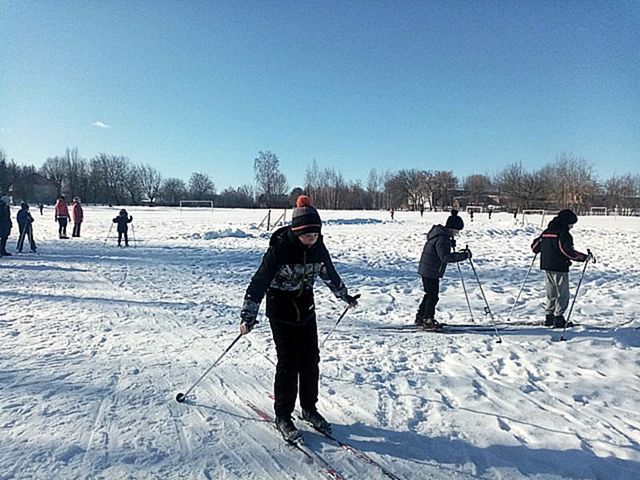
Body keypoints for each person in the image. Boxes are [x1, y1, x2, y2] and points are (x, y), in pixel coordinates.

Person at [239, 195, 358, 442]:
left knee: (311, 359)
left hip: (306, 308)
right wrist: (248, 315)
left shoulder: (318, 248)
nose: (311, 239)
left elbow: (329, 274)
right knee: (288, 362)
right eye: (307, 235)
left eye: (315, 234)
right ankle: (283, 414)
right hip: (280, 310)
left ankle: (309, 408)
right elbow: (259, 282)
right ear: (296, 231)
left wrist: (344, 296)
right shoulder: (280, 249)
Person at [531, 209, 589, 328]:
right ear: (566, 222)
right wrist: (583, 257)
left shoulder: (547, 231)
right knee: (562, 294)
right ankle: (558, 318)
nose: (572, 226)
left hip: (547, 266)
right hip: (559, 267)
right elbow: (567, 251)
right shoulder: (564, 234)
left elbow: (535, 247)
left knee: (551, 292)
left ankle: (549, 316)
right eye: (571, 223)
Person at [415, 209, 471, 330]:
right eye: (457, 231)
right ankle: (427, 319)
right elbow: (445, 257)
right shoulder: (443, 238)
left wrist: (451, 245)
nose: (457, 234)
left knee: (429, 294)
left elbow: (440, 252)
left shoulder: (440, 235)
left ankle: (421, 316)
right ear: (452, 228)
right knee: (433, 296)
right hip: (431, 269)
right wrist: (464, 256)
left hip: (428, 268)